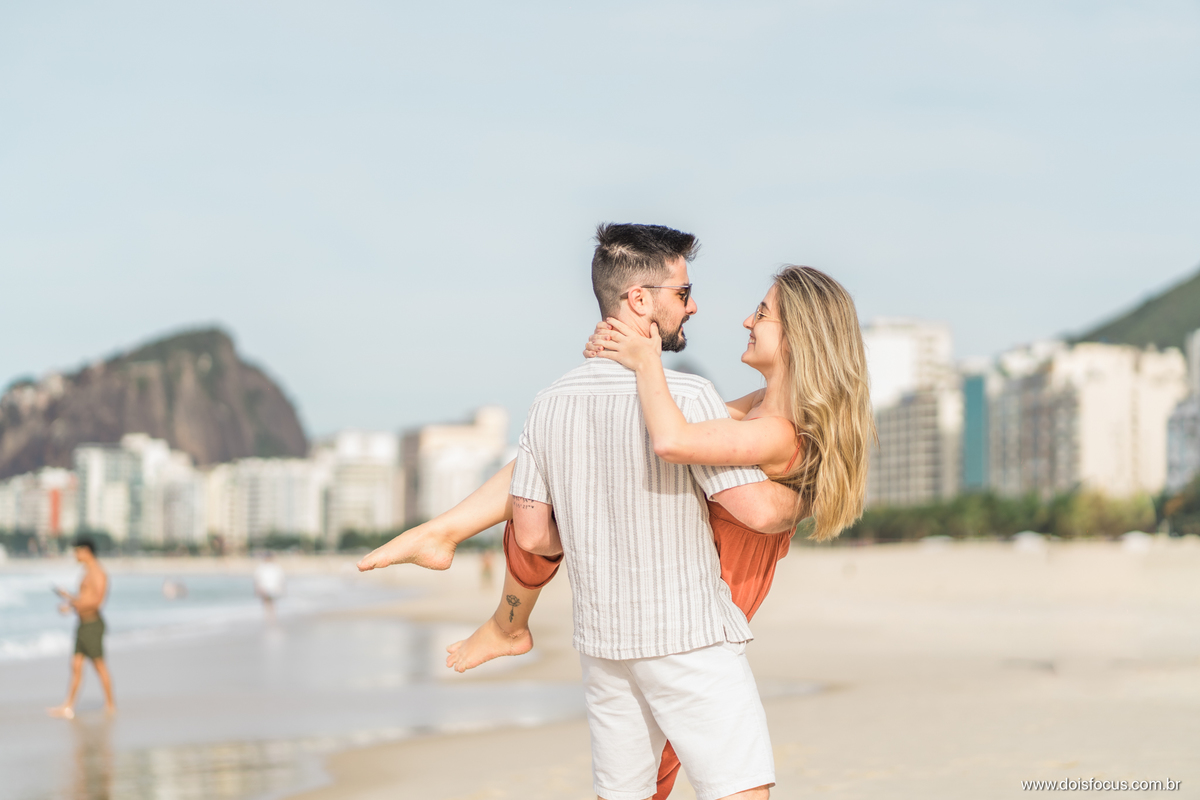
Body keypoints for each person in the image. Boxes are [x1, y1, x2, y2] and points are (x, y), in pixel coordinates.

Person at [361, 256, 875, 799]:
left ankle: (464, 559)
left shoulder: (770, 430)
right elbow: (660, 440)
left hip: (675, 606)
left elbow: (701, 462)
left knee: (658, 783)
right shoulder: (748, 412)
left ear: (798, 337)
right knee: (703, 782)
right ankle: (448, 534)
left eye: (761, 312)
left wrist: (646, 364)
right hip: (685, 614)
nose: (745, 321)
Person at [48, 537, 116, 719]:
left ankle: (110, 705)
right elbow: (84, 598)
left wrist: (72, 604)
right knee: (76, 665)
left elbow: (97, 602)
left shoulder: (99, 572)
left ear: (86, 550)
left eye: (77, 551)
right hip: (82, 624)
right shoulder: (86, 572)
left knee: (99, 666)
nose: (75, 555)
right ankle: (68, 706)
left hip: (93, 625)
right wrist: (69, 599)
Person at [254, 552, 285, 620]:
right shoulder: (263, 567)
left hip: (272, 587)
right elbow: (257, 579)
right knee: (267, 602)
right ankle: (269, 616)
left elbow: (281, 578)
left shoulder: (274, 567)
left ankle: (271, 616)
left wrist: (280, 587)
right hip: (266, 587)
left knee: (270, 602)